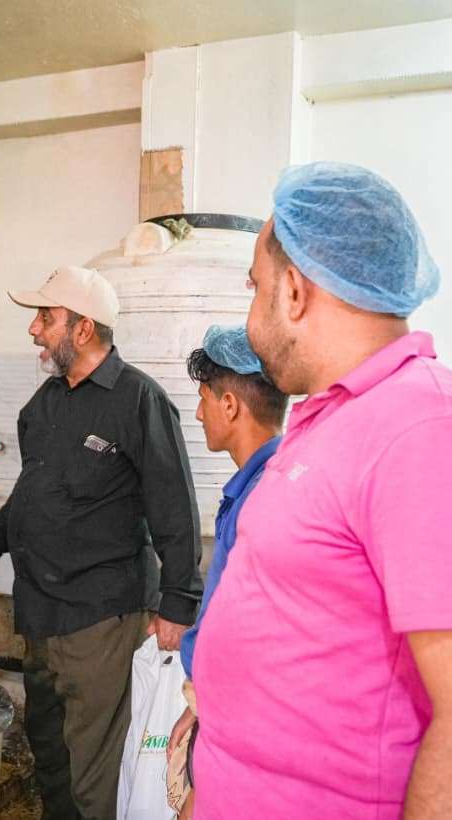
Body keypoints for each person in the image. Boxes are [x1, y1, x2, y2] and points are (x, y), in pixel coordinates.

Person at [191, 162, 452, 818]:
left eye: (256, 286)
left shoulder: (429, 431)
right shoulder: (333, 420)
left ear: (293, 291)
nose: (252, 310)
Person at [0, 265, 203, 820]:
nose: (34, 330)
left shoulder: (138, 400)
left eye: (46, 318)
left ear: (83, 329)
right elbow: (31, 493)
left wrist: (178, 605)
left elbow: (175, 509)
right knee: (50, 751)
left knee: (94, 768)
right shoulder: (43, 405)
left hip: (100, 616)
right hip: (40, 613)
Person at [164, 325, 287, 819]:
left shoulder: (263, 500)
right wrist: (196, 706)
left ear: (230, 405)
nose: (199, 413)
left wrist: (214, 745)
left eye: (204, 399)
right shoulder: (263, 484)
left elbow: (248, 640)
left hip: (240, 732)